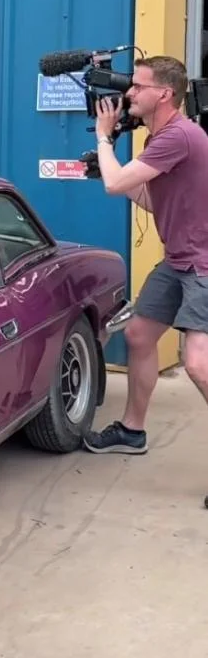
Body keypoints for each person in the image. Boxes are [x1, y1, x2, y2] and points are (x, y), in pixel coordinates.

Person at [84, 55, 208, 470]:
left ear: (165, 94)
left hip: (204, 264)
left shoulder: (179, 136)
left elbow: (116, 182)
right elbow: (152, 201)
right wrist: (107, 173)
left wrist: (104, 140)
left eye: (139, 86)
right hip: (179, 259)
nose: (129, 93)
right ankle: (132, 430)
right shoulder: (161, 138)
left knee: (198, 364)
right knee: (138, 335)